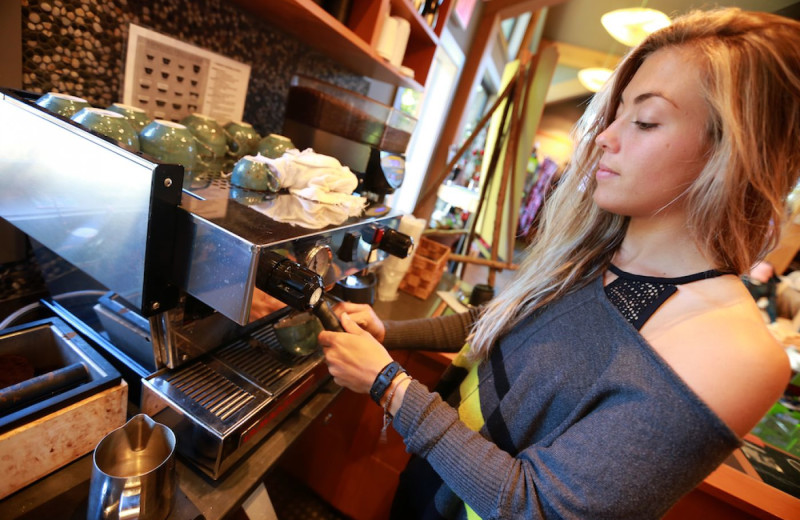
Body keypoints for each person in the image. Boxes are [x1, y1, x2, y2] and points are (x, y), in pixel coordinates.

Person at [317, 8, 800, 519]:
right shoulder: (599, 254)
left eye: (645, 120)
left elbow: (540, 507)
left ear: (735, 151)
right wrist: (390, 332)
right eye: (615, 116)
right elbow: (505, 327)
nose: (604, 138)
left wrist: (389, 386)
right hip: (427, 494)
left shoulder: (732, 349)